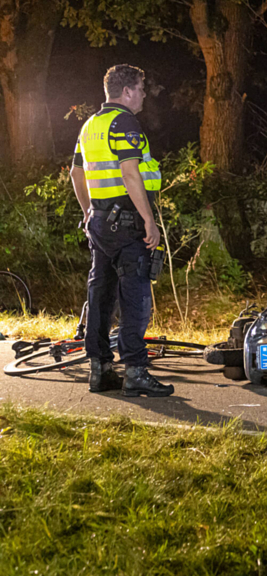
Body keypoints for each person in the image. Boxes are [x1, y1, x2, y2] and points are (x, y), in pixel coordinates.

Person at [70, 64, 173, 397]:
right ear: (127, 90)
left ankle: (100, 370)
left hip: (100, 222)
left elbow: (76, 173)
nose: (143, 94)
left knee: (100, 294)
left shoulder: (90, 125)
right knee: (135, 296)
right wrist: (149, 219)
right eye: (141, 88)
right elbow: (131, 174)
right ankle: (135, 371)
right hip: (127, 222)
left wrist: (89, 211)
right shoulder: (124, 121)